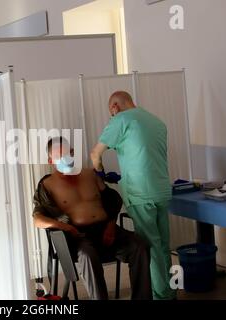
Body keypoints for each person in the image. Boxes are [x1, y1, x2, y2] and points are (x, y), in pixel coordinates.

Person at [32, 137, 152, 300]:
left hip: (107, 229)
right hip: (79, 237)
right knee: (87, 256)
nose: (65, 158)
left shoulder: (90, 174)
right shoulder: (47, 185)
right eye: (59, 156)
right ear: (51, 160)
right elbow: (37, 219)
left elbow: (113, 200)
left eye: (68, 153)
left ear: (73, 153)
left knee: (140, 246)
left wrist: (110, 224)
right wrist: (65, 226)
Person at [90, 91, 175, 300]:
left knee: (151, 246)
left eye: (111, 113)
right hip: (162, 190)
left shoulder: (120, 119)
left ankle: (161, 295)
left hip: (140, 194)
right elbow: (144, 155)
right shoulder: (156, 121)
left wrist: (99, 172)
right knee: (164, 245)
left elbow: (95, 154)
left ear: (114, 108)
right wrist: (122, 176)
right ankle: (168, 291)